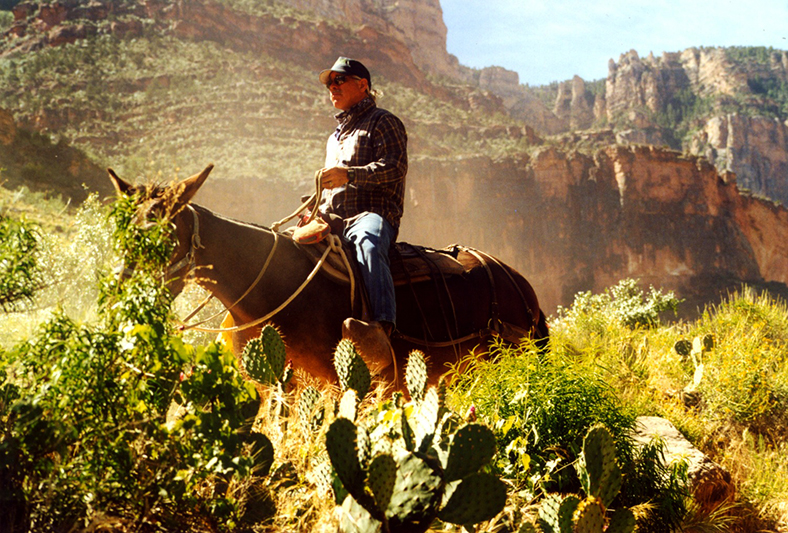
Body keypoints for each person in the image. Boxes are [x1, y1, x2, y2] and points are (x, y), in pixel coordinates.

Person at [315, 56, 408, 368]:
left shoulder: (385, 122)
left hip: (372, 214)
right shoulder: (335, 137)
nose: (332, 87)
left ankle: (381, 329)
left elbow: (395, 167)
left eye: (339, 80)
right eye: (329, 83)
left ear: (363, 86)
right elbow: (333, 186)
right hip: (336, 220)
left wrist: (349, 174)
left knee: (369, 240)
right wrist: (317, 210)